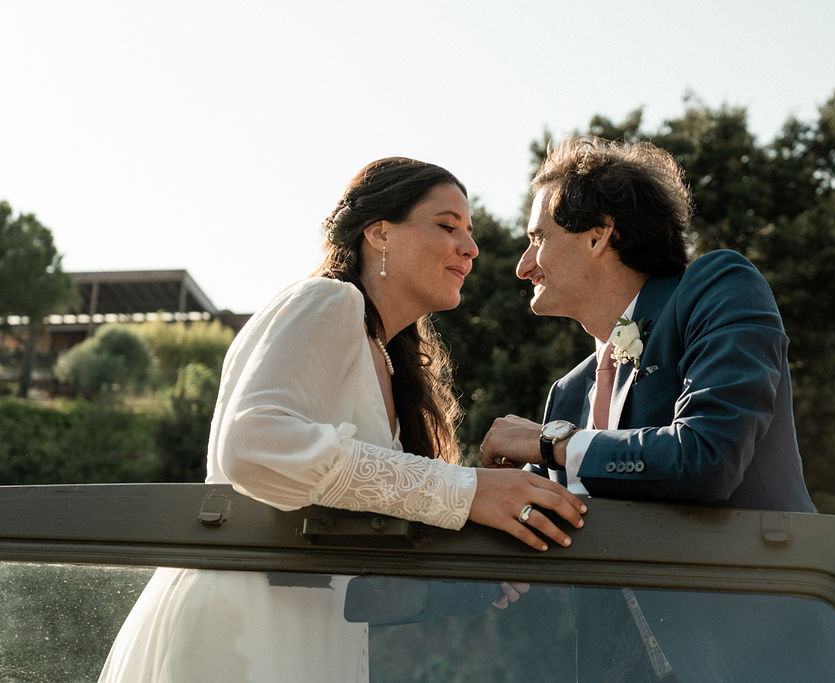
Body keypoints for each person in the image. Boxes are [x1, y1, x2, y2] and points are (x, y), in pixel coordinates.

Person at [98, 157, 586, 683]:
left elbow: (355, 531)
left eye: (469, 233)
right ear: (380, 233)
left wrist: (476, 556)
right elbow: (253, 445)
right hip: (242, 628)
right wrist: (466, 490)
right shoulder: (329, 299)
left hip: (313, 631)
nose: (470, 247)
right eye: (448, 226)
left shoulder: (388, 358)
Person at [479, 137, 835, 681]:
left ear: (599, 233)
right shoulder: (568, 394)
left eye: (537, 238)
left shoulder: (717, 288)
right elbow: (544, 533)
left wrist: (551, 443)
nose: (524, 266)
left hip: (761, 663)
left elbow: (707, 458)